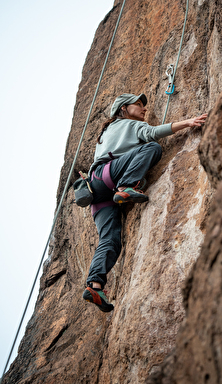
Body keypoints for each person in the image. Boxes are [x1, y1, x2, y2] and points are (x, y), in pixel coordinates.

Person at [82, 93, 207, 312]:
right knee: (152, 147)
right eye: (138, 105)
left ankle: (95, 285)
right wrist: (187, 122)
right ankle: (126, 187)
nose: (143, 109)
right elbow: (151, 133)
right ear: (123, 109)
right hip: (109, 177)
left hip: (96, 191)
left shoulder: (106, 132)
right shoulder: (127, 124)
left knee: (110, 239)